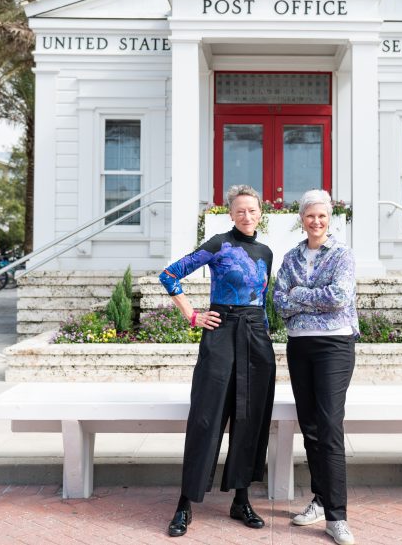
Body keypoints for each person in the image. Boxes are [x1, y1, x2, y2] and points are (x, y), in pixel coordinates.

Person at [159, 184, 275, 538]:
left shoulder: (267, 251)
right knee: (206, 417)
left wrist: (266, 338)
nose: (246, 216)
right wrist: (193, 315)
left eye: (252, 210)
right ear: (230, 213)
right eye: (240, 210)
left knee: (250, 418)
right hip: (221, 334)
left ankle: (241, 499)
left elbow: (262, 300)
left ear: (260, 213)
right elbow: (169, 274)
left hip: (257, 338)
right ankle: (184, 503)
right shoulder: (218, 244)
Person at [273, 189, 358, 545]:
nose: (316, 221)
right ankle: (321, 500)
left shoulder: (342, 254)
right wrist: (301, 298)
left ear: (329, 218)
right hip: (299, 346)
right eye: (310, 216)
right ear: (302, 219)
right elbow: (277, 301)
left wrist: (298, 296)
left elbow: (338, 297)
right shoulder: (291, 256)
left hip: (334, 346)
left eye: (322, 216)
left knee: (329, 426)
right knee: (310, 426)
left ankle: (337, 516)